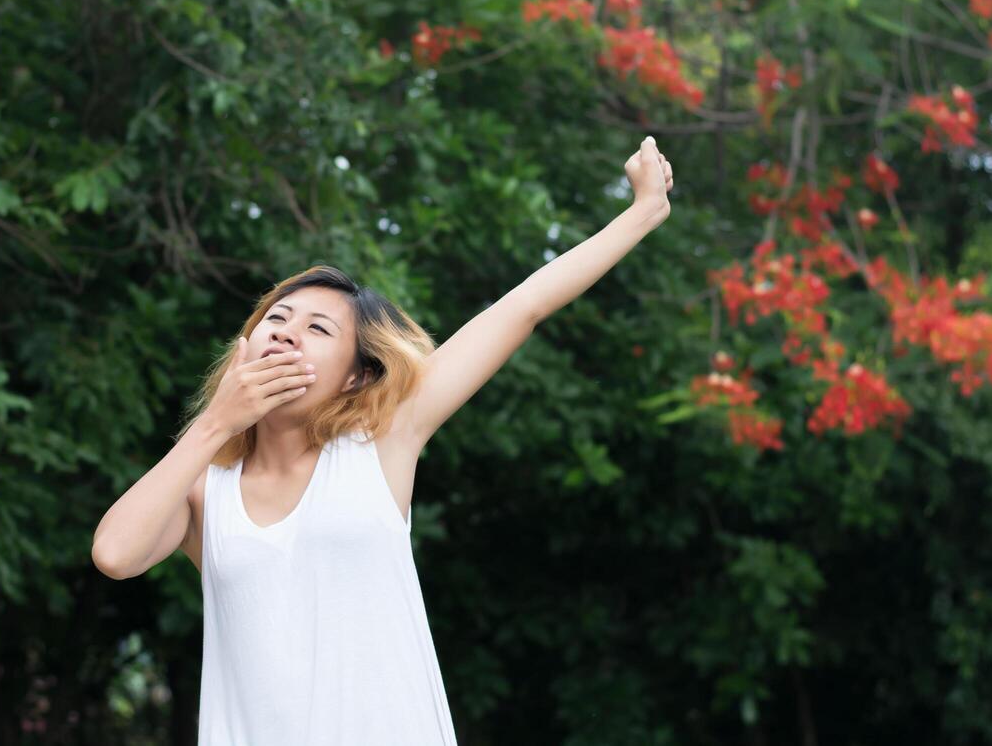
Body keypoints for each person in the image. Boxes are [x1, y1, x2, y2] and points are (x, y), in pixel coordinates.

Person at [92, 136, 675, 743]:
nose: (287, 334)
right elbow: (115, 554)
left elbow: (521, 307)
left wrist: (641, 212)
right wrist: (215, 423)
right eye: (275, 320)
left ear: (355, 375)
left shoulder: (381, 445)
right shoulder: (204, 492)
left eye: (317, 328)